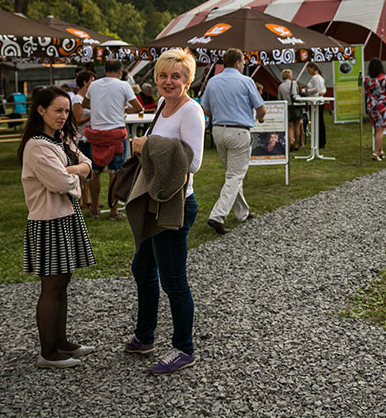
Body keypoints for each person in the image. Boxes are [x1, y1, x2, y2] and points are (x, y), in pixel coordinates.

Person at [126, 48, 204, 375]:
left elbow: (194, 162)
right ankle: (145, 336)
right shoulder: (161, 104)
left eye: (175, 76)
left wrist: (148, 146)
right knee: (142, 269)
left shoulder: (191, 111)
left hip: (176, 205)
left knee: (173, 281)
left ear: (188, 79)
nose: (168, 81)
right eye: (162, 75)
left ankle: (184, 349)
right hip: (154, 200)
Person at [19, 85, 95, 368]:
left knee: (62, 283)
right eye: (57, 110)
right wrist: (75, 175)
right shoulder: (37, 145)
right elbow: (60, 183)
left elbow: (87, 164)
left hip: (65, 216)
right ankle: (48, 352)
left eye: (66, 111)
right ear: (41, 110)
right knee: (52, 286)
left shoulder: (61, 138)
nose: (63, 116)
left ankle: (60, 342)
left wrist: (71, 171)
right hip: (48, 221)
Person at [201, 48, 266, 235]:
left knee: (232, 174)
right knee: (235, 176)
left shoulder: (213, 81)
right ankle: (218, 215)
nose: (244, 65)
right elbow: (261, 108)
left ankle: (242, 212)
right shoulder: (246, 81)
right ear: (238, 63)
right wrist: (260, 119)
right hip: (239, 131)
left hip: (218, 131)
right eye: (243, 62)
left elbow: (205, 108)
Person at [83, 60, 142, 220]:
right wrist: (124, 109)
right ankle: (114, 211)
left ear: (105, 70)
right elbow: (138, 107)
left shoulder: (94, 85)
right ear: (120, 71)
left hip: (96, 134)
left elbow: (85, 103)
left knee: (95, 172)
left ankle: (94, 209)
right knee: (114, 173)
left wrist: (100, 107)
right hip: (116, 134)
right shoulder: (123, 85)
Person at [70, 70, 95, 211]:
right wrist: (93, 115)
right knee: (83, 170)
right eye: (92, 80)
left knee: (88, 170)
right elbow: (76, 121)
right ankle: (82, 200)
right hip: (80, 138)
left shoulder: (86, 99)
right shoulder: (77, 99)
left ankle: (86, 200)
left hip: (87, 137)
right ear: (85, 83)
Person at [364, 58, 386, 160]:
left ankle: (381, 150)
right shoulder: (385, 78)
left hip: (371, 105)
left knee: (376, 129)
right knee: (380, 130)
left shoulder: (367, 79)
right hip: (381, 106)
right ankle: (375, 153)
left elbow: (365, 90)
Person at [300, 62, 327, 148]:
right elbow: (323, 89)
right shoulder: (320, 77)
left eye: (309, 69)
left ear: (313, 68)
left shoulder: (315, 77)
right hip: (319, 101)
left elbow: (316, 89)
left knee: (317, 122)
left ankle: (319, 141)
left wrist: (307, 91)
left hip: (315, 101)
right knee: (320, 121)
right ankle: (321, 141)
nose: (308, 71)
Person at [278, 69, 304, 151]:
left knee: (290, 126)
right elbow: (296, 94)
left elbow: (280, 98)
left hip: (287, 106)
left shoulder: (280, 86)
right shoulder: (294, 83)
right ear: (289, 75)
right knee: (297, 125)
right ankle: (296, 144)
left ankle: (290, 141)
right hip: (295, 106)